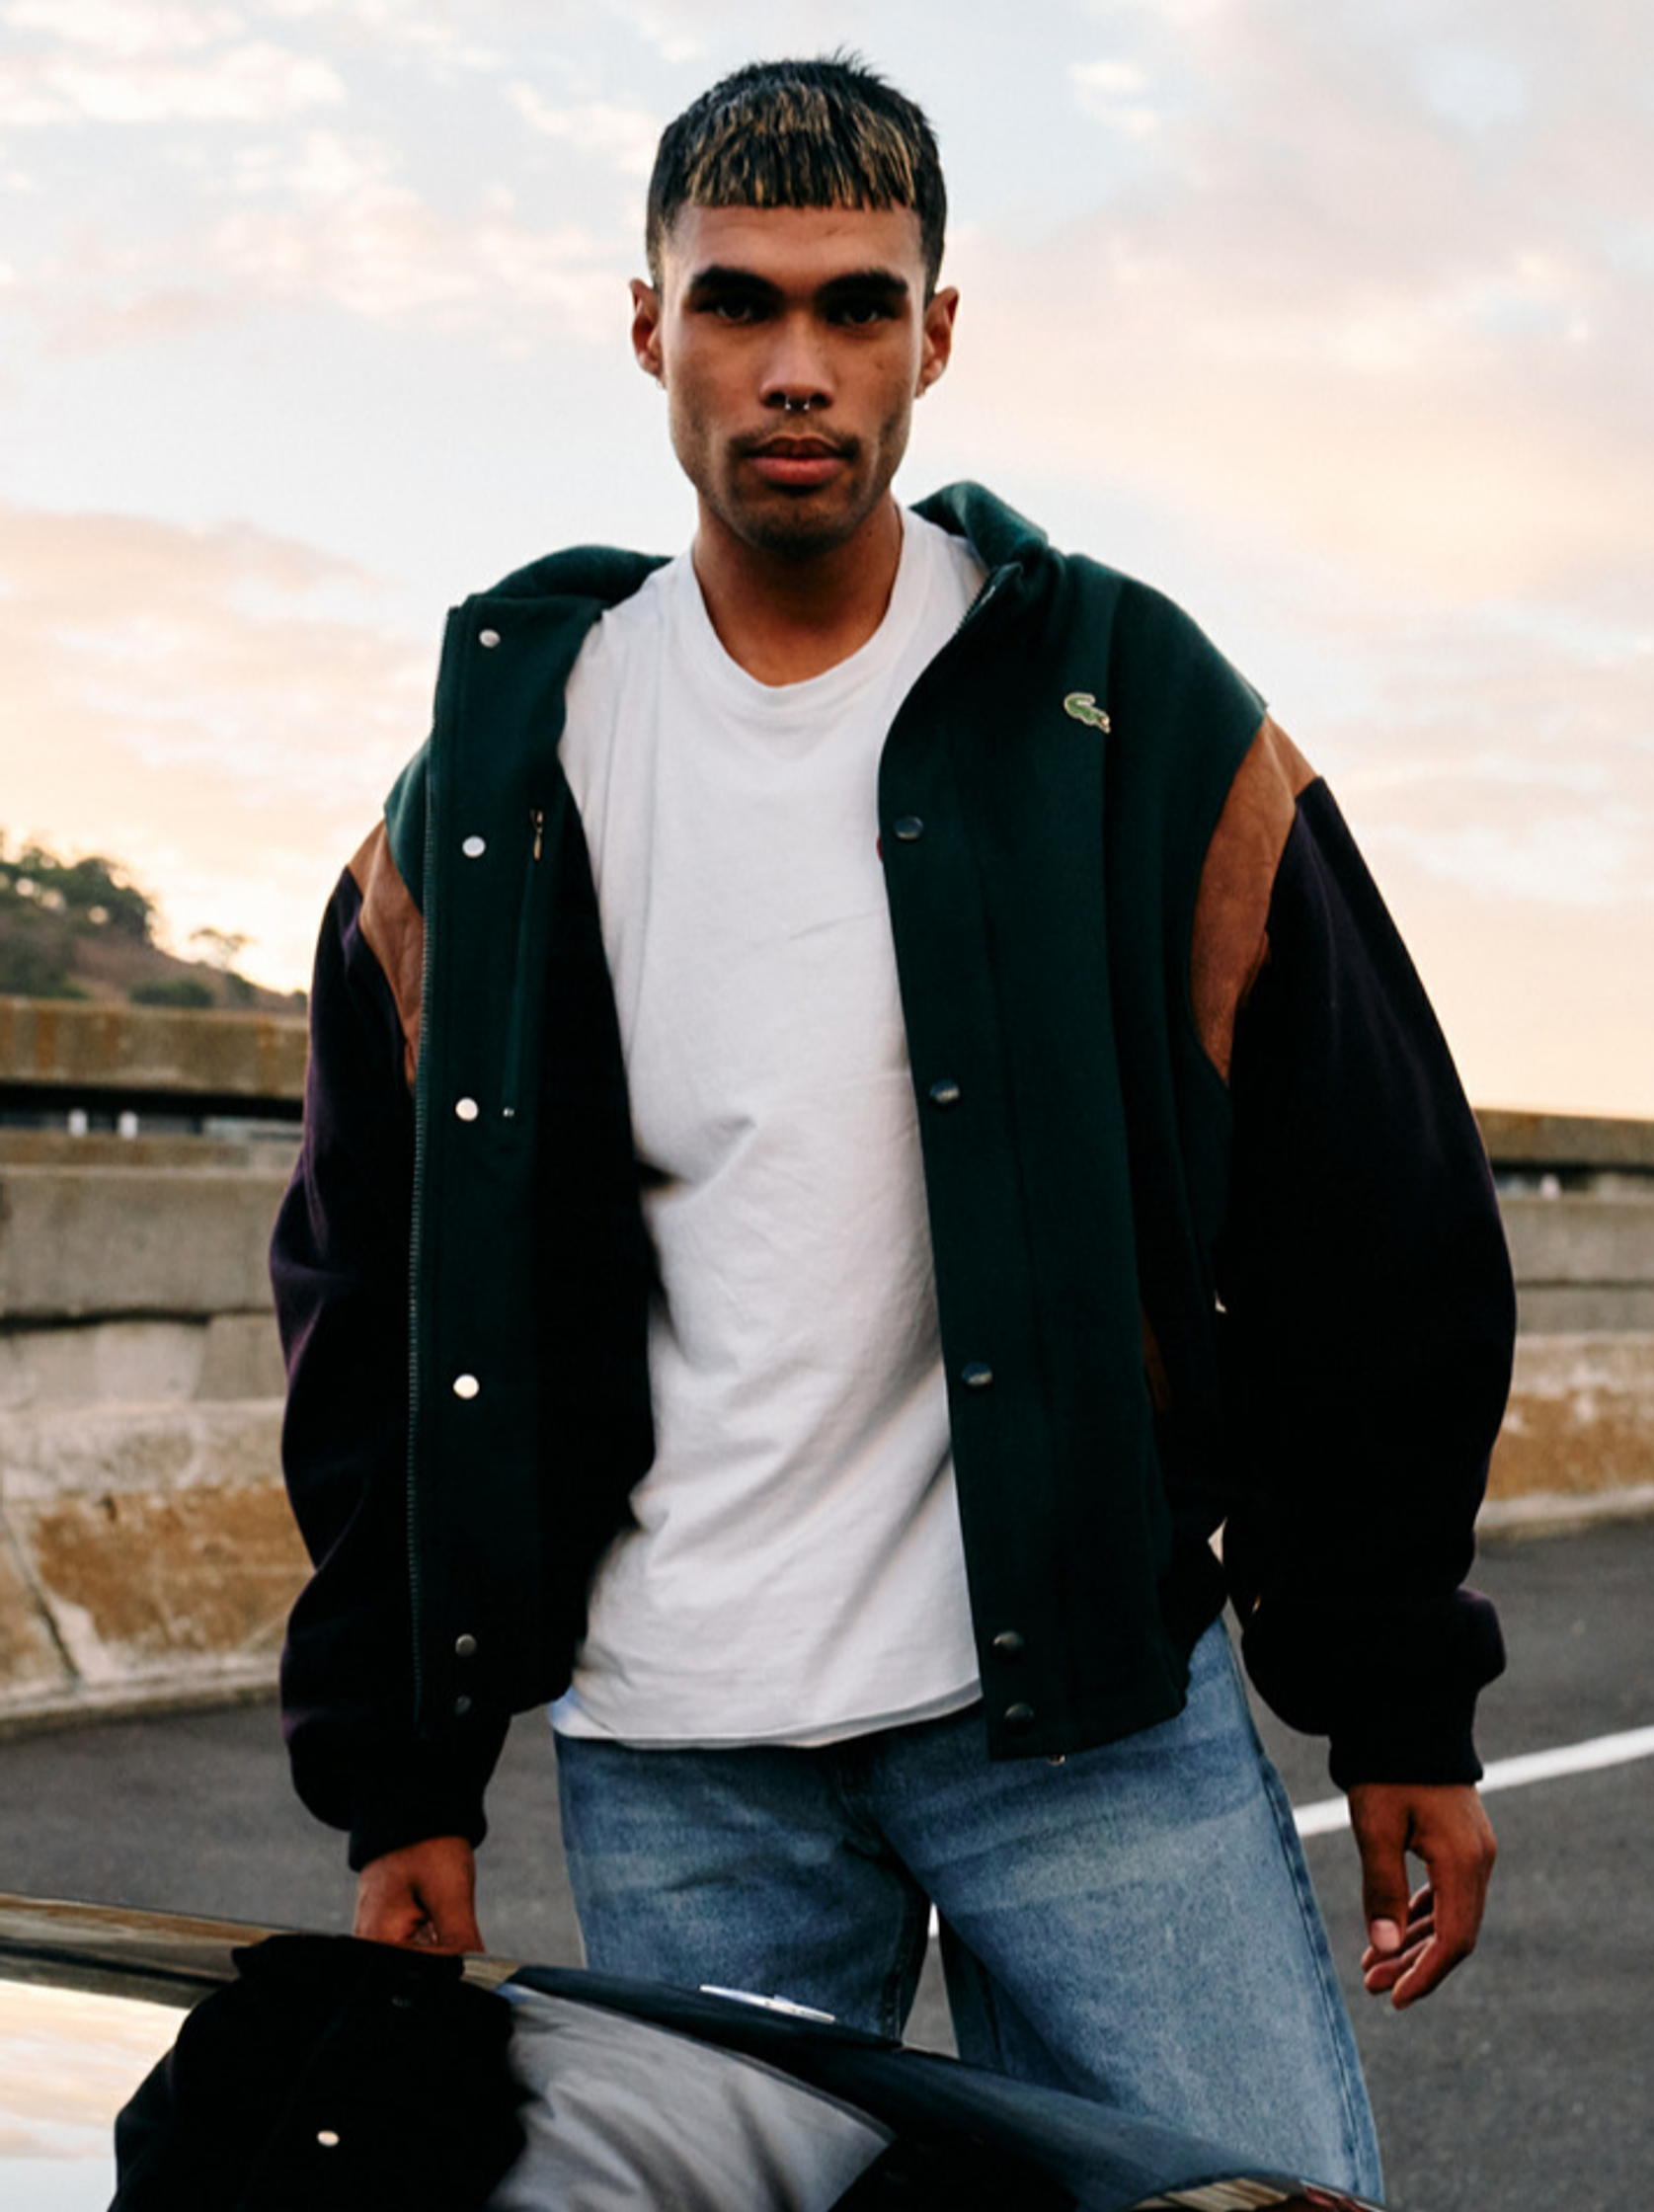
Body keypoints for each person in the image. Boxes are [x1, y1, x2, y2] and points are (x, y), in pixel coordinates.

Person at [271, 53, 1516, 2197]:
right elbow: (367, 1292)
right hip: (683, 1757)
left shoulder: (1125, 704)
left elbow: (1369, 1211)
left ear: (935, 335)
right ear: (646, 324)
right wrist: (406, 1773)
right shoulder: (498, 780)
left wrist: (1395, 1692)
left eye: (856, 307)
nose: (798, 367)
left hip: (1084, 1722)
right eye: (738, 303)